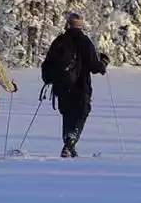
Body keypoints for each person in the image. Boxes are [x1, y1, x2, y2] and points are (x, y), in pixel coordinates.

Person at [40, 12, 109, 157]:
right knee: (81, 114)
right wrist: (103, 63)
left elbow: (48, 63)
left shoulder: (59, 41)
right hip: (80, 86)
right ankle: (69, 143)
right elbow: (94, 66)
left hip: (61, 86)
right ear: (81, 24)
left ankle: (69, 146)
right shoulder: (84, 41)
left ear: (68, 23)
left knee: (67, 115)